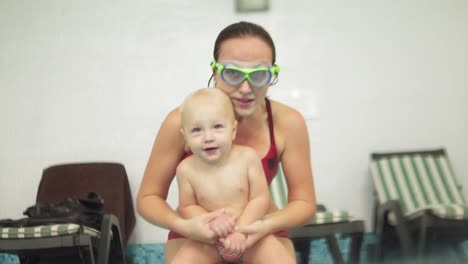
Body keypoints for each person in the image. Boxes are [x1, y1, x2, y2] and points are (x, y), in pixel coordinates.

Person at [137, 21, 317, 264]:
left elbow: (304, 203)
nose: (245, 88)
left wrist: (263, 225)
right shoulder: (180, 121)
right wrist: (186, 225)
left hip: (260, 225)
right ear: (215, 71)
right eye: (232, 73)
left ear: (272, 75)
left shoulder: (288, 122)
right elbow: (148, 198)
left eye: (259, 75)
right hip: (198, 228)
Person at [176, 88, 270, 263]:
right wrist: (213, 221)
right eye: (196, 130)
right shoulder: (185, 169)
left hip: (250, 233)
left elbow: (260, 198)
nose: (208, 137)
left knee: (276, 256)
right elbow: (187, 207)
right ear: (185, 137)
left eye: (217, 127)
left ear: (233, 130)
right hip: (210, 239)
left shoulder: (247, 158)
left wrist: (241, 231)